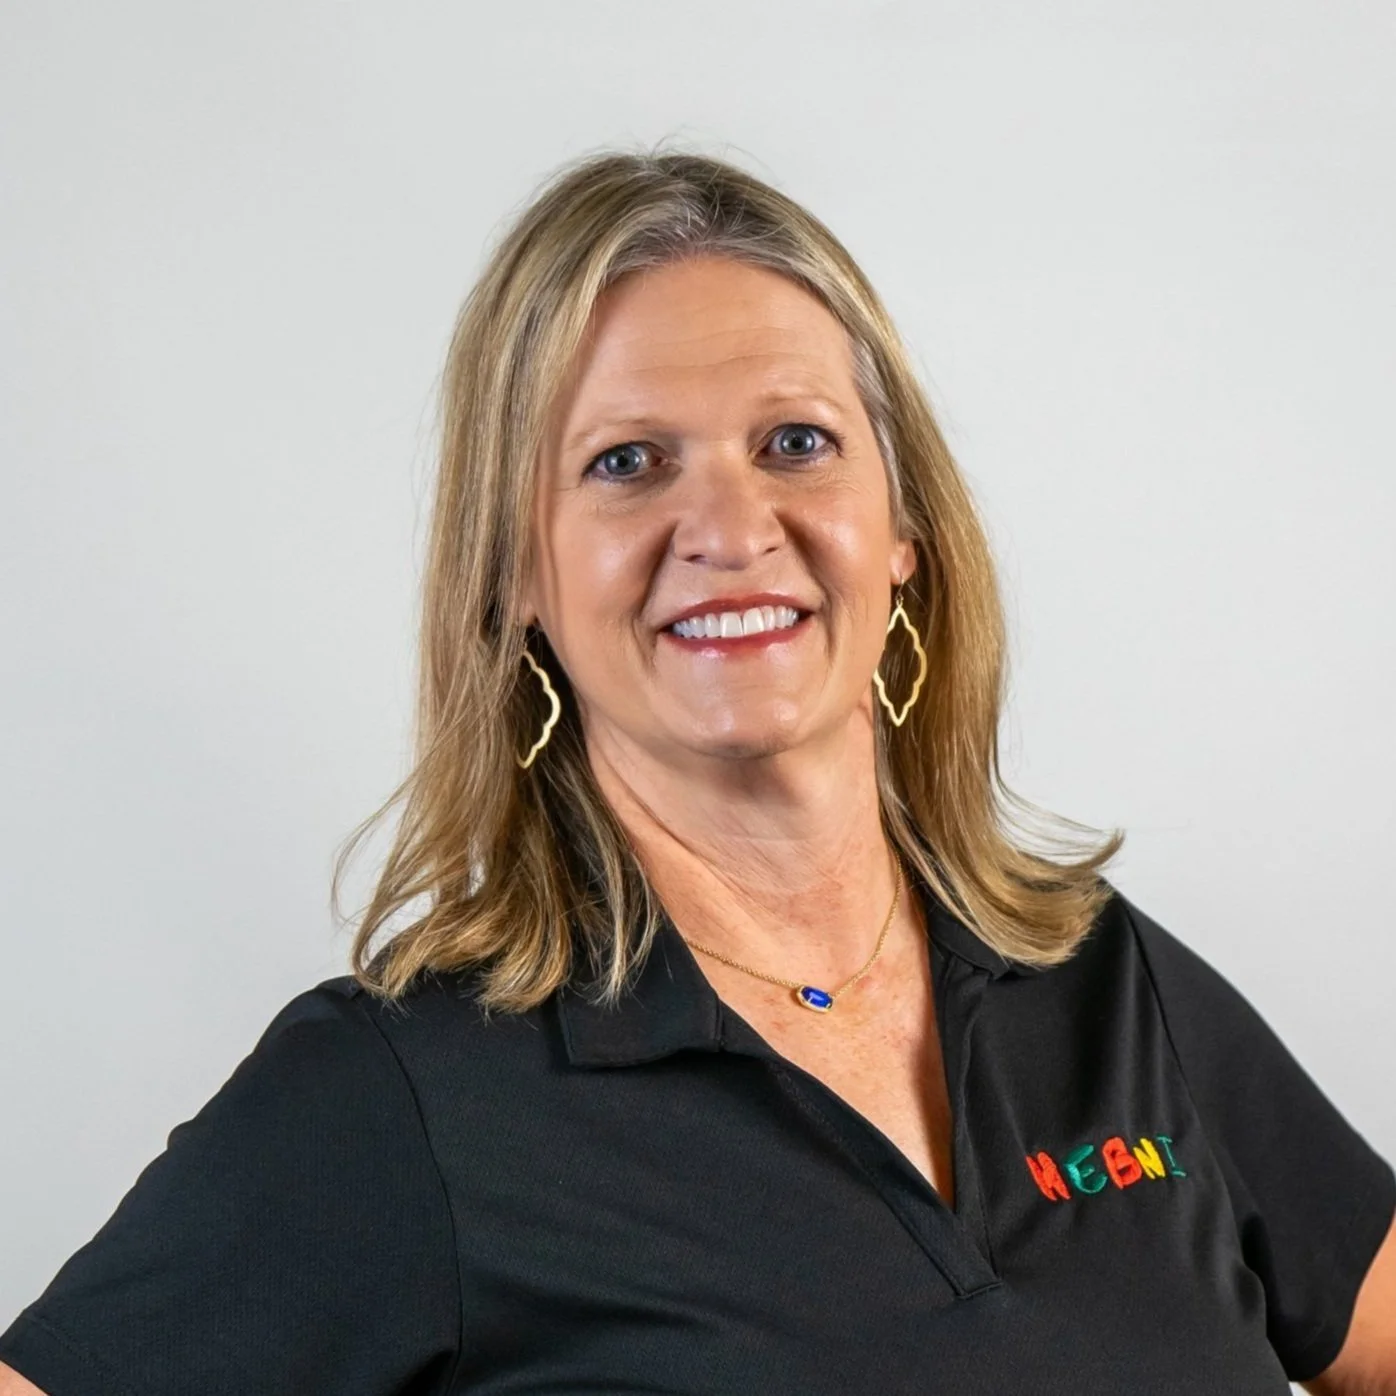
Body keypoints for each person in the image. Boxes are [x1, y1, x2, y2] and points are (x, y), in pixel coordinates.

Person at [1, 148, 1392, 1396]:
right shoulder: (403, 1098)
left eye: (795, 443)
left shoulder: (1099, 983)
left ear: (901, 528)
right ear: (516, 581)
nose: (729, 525)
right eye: (626, 463)